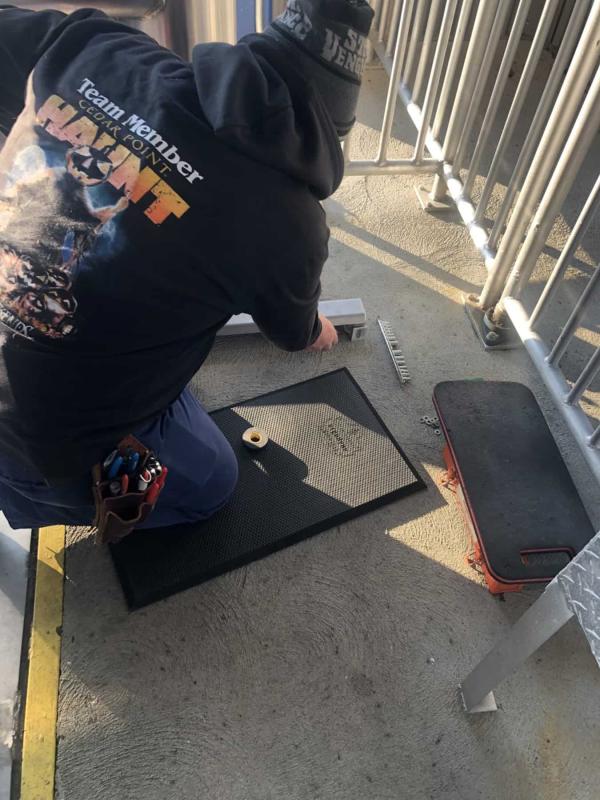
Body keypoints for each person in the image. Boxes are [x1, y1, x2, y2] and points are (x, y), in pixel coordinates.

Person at [0, 0, 374, 531]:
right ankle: (34, 495)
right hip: (37, 436)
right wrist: (314, 327)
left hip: (27, 342)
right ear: (327, 135)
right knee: (208, 482)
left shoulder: (99, 46)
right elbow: (295, 333)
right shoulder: (290, 225)